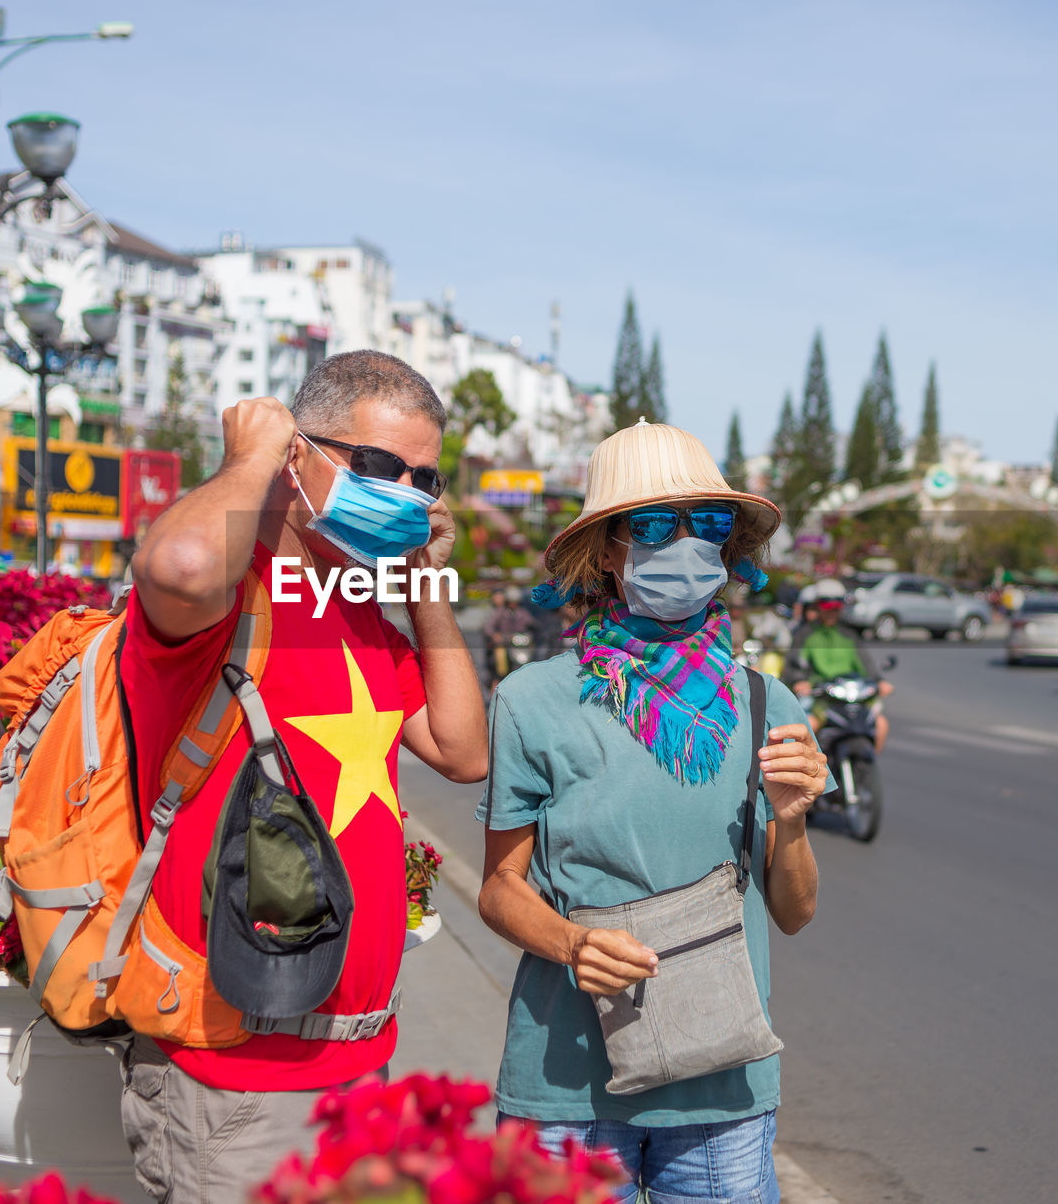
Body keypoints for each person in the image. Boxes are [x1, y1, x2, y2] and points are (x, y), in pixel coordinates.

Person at [122, 350, 488, 1204]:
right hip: (236, 1081)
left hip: (359, 1065)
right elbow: (174, 566)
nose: (404, 490)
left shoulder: (358, 612)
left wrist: (424, 584)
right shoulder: (227, 596)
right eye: (373, 466)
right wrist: (249, 456)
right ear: (299, 452)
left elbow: (462, 750)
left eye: (423, 477)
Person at [476, 420, 831, 1202]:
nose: (685, 544)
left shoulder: (767, 702)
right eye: (652, 525)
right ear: (607, 549)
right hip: (564, 1089)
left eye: (706, 525)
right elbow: (501, 887)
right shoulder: (532, 700)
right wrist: (572, 943)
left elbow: (795, 913)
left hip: (721, 1091)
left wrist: (796, 819)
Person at [782, 578, 893, 751]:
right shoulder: (805, 635)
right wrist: (800, 682)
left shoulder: (849, 635)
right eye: (827, 608)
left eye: (835, 609)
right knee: (807, 728)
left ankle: (866, 769)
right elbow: (794, 665)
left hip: (850, 697)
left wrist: (878, 681)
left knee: (881, 724)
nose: (831, 613)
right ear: (818, 607)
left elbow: (865, 663)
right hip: (821, 697)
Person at [483, 584, 537, 689]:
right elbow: (488, 626)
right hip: (504, 644)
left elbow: (533, 623)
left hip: (520, 645)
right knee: (498, 662)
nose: (513, 605)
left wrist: (534, 630)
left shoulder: (523, 613)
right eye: (511, 602)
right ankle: (497, 680)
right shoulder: (500, 612)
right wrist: (494, 635)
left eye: (515, 602)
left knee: (533, 657)